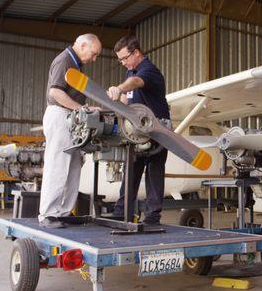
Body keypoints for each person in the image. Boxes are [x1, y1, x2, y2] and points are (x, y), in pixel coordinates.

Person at [39, 33, 102, 229]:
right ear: (83, 45)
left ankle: (63, 213)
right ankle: (48, 214)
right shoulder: (64, 60)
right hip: (60, 116)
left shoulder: (77, 64)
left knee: (74, 166)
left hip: (72, 118)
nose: (94, 59)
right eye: (94, 54)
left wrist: (86, 109)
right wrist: (81, 109)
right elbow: (55, 92)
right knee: (58, 164)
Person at [107, 35, 170, 225]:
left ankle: (152, 217)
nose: (123, 63)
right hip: (137, 133)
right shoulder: (130, 71)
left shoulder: (149, 71)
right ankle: (121, 211)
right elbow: (127, 101)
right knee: (131, 171)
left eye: (124, 58)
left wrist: (119, 88)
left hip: (157, 131)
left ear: (136, 53)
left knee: (154, 173)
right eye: (120, 60)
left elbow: (135, 83)